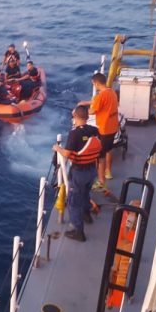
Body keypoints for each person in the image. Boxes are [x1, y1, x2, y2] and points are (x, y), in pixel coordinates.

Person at [52, 105, 103, 242]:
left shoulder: (74, 134)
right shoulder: (94, 130)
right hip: (92, 170)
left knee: (74, 202)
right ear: (87, 117)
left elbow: (67, 154)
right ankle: (86, 214)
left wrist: (57, 148)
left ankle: (78, 232)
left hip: (79, 172)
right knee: (86, 193)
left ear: (75, 117)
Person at [78, 73, 119, 181]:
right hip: (113, 127)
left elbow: (92, 111)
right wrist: (87, 102)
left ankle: (101, 182)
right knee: (109, 150)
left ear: (96, 83)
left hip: (104, 129)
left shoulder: (100, 96)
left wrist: (80, 111)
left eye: (93, 84)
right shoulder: (111, 92)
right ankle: (108, 172)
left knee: (100, 157)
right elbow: (101, 102)